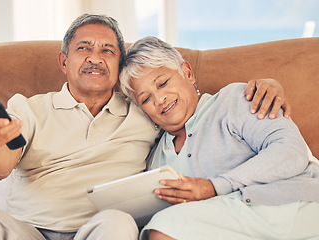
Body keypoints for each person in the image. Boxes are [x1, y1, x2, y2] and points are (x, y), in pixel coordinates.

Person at [0, 13, 289, 240]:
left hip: (98, 230)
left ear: (119, 65)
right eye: (83, 48)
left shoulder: (145, 111)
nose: (95, 57)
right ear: (64, 61)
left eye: (107, 50)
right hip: (29, 230)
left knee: (118, 222)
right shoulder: (28, 109)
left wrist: (269, 84)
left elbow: (191, 111)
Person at [119, 36, 319, 240]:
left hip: (287, 207)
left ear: (187, 72)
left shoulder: (235, 99)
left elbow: (291, 151)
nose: (159, 99)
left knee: (166, 227)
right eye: (145, 99)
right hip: (218, 229)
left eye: (163, 83)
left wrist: (213, 187)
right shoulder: (155, 159)